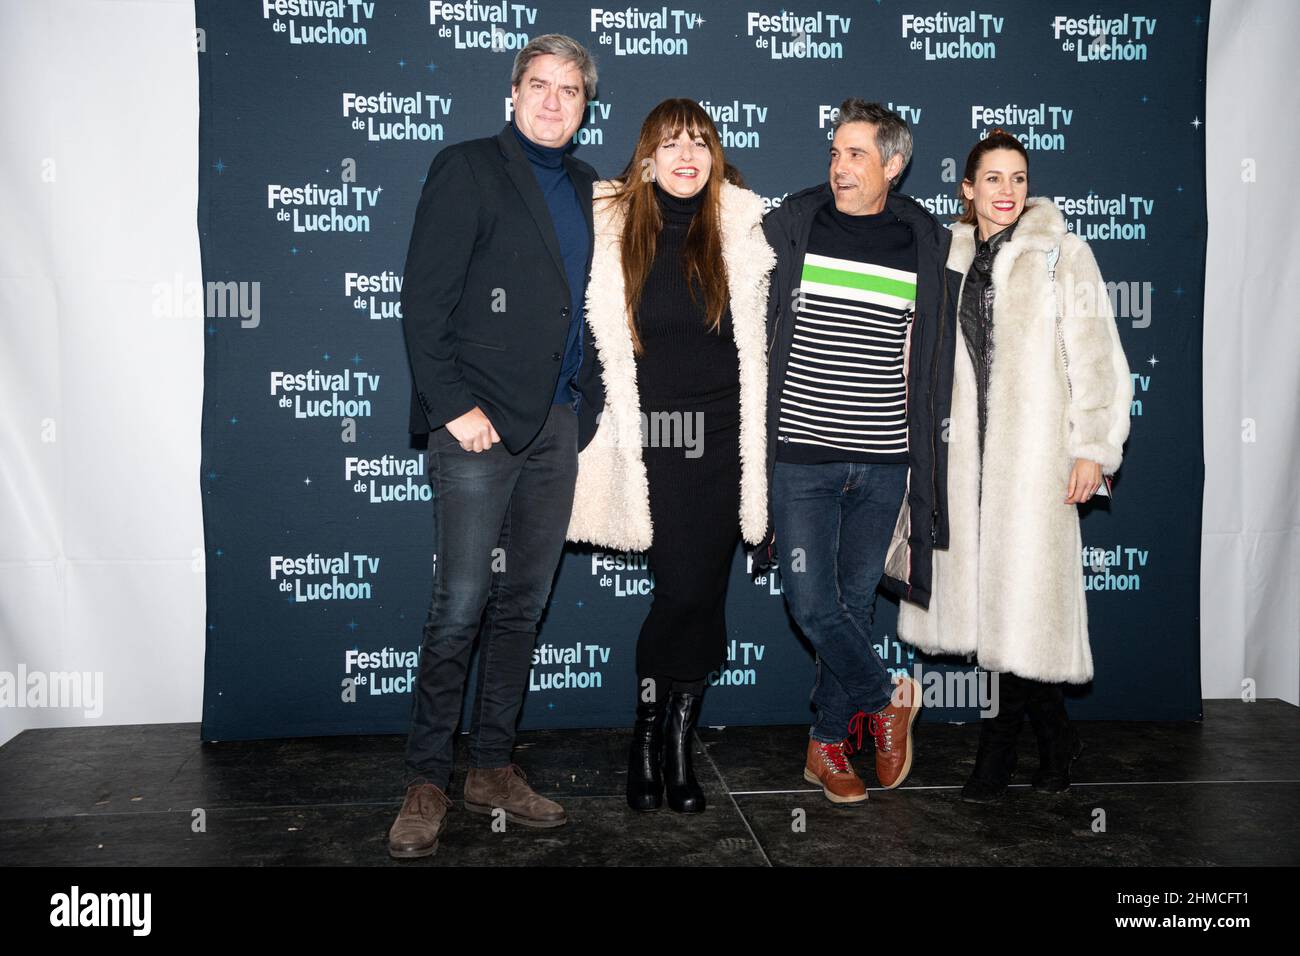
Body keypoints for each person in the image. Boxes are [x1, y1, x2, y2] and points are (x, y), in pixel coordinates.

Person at [389, 35, 602, 859]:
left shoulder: (590, 188)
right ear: (512, 93)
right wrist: (453, 409)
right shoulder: (467, 167)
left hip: (554, 427)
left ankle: (490, 768)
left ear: (587, 105)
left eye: (571, 90)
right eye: (539, 85)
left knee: (522, 608)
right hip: (476, 427)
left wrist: (582, 413)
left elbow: (591, 310)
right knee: (460, 609)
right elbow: (423, 303)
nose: (554, 101)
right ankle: (426, 779)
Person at [896, 130, 1132, 802]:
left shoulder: (1063, 256)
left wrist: (1093, 447)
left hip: (1035, 460)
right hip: (964, 462)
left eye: (1018, 178)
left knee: (1027, 605)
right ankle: (1054, 736)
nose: (1007, 191)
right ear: (966, 189)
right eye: (992, 179)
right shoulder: (945, 257)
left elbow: (1096, 358)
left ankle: (1000, 747)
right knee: (997, 608)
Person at [566, 99, 774, 813]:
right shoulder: (611, 230)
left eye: (700, 142)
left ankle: (677, 741)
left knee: (703, 594)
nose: (687, 154)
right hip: (652, 439)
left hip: (725, 443)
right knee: (680, 593)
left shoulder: (745, 233)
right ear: (647, 158)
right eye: (671, 142)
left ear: (715, 157)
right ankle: (648, 731)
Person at [759, 99, 956, 804]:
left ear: (893, 165)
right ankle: (887, 697)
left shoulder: (924, 245)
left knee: (852, 604)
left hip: (884, 461)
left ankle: (827, 747)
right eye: (835, 153)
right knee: (812, 603)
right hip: (803, 458)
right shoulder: (791, 227)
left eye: (857, 155)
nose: (840, 167)